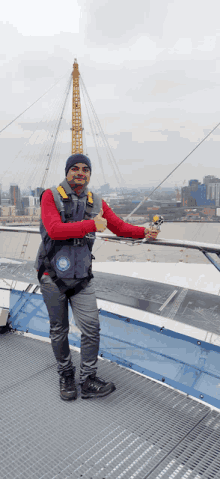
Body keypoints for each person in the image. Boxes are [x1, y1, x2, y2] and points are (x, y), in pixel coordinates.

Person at [35, 153, 159, 401]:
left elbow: (120, 227)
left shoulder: (97, 202)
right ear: (67, 172)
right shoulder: (50, 196)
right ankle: (66, 374)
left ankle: (88, 378)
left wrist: (144, 231)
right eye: (75, 169)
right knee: (58, 329)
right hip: (52, 276)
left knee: (91, 328)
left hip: (81, 278)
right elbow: (55, 230)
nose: (81, 173)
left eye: (85, 169)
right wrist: (91, 225)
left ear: (90, 174)